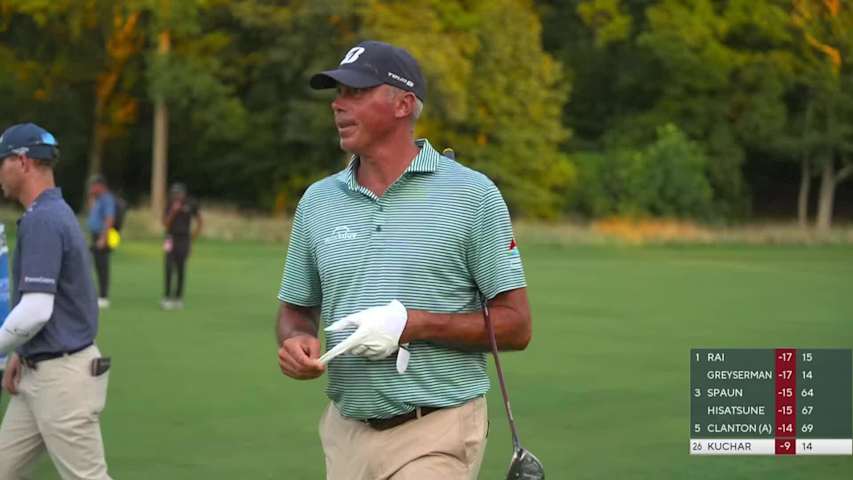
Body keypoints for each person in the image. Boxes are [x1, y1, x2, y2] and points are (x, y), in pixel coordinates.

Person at [276, 41, 532, 479]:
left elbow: (516, 326)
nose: (338, 105)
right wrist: (296, 341)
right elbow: (297, 308)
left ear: (403, 104)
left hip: (437, 428)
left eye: (356, 92)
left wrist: (415, 324)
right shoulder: (318, 201)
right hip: (345, 434)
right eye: (337, 94)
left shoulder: (472, 195)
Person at [0, 122, 112, 479]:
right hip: (39, 371)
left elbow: (36, 309)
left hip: (61, 382)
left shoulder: (44, 220)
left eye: (2, 161)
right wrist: (21, 351)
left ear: (22, 162)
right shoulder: (49, 213)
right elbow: (54, 305)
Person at [161, 182, 202, 310]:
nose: (176, 196)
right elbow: (165, 224)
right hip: (170, 238)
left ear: (183, 194)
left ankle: (178, 298)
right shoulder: (169, 205)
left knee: (181, 268)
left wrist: (192, 239)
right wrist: (173, 211)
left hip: (184, 239)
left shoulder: (190, 204)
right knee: (168, 267)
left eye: (178, 194)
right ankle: (167, 297)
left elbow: (200, 221)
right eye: (174, 194)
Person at [86, 175, 116, 309]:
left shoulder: (107, 199)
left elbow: (109, 219)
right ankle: (95, 294)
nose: (92, 188)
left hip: (102, 235)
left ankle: (103, 296)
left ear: (101, 186)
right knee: (94, 264)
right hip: (95, 235)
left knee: (102, 265)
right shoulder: (97, 199)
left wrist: (103, 238)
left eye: (94, 186)